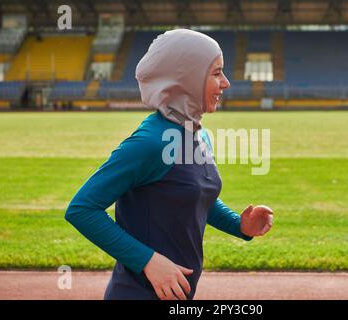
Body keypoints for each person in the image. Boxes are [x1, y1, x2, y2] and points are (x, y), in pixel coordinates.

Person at [65, 29, 273, 300]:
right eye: (216, 73)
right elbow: (82, 209)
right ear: (187, 78)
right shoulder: (150, 142)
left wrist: (240, 225)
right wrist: (148, 261)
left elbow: (194, 197)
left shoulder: (198, 134)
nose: (226, 83)